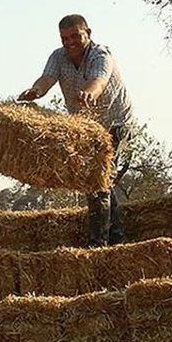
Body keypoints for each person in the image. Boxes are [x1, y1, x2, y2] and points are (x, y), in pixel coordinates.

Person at [18, 14, 134, 246]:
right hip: (87, 130)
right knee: (98, 182)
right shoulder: (58, 56)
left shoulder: (101, 55)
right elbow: (47, 78)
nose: (70, 42)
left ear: (88, 33)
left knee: (98, 181)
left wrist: (88, 94)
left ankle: (98, 244)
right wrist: (35, 91)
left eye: (75, 36)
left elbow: (99, 82)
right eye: (65, 38)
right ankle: (116, 239)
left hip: (115, 124)